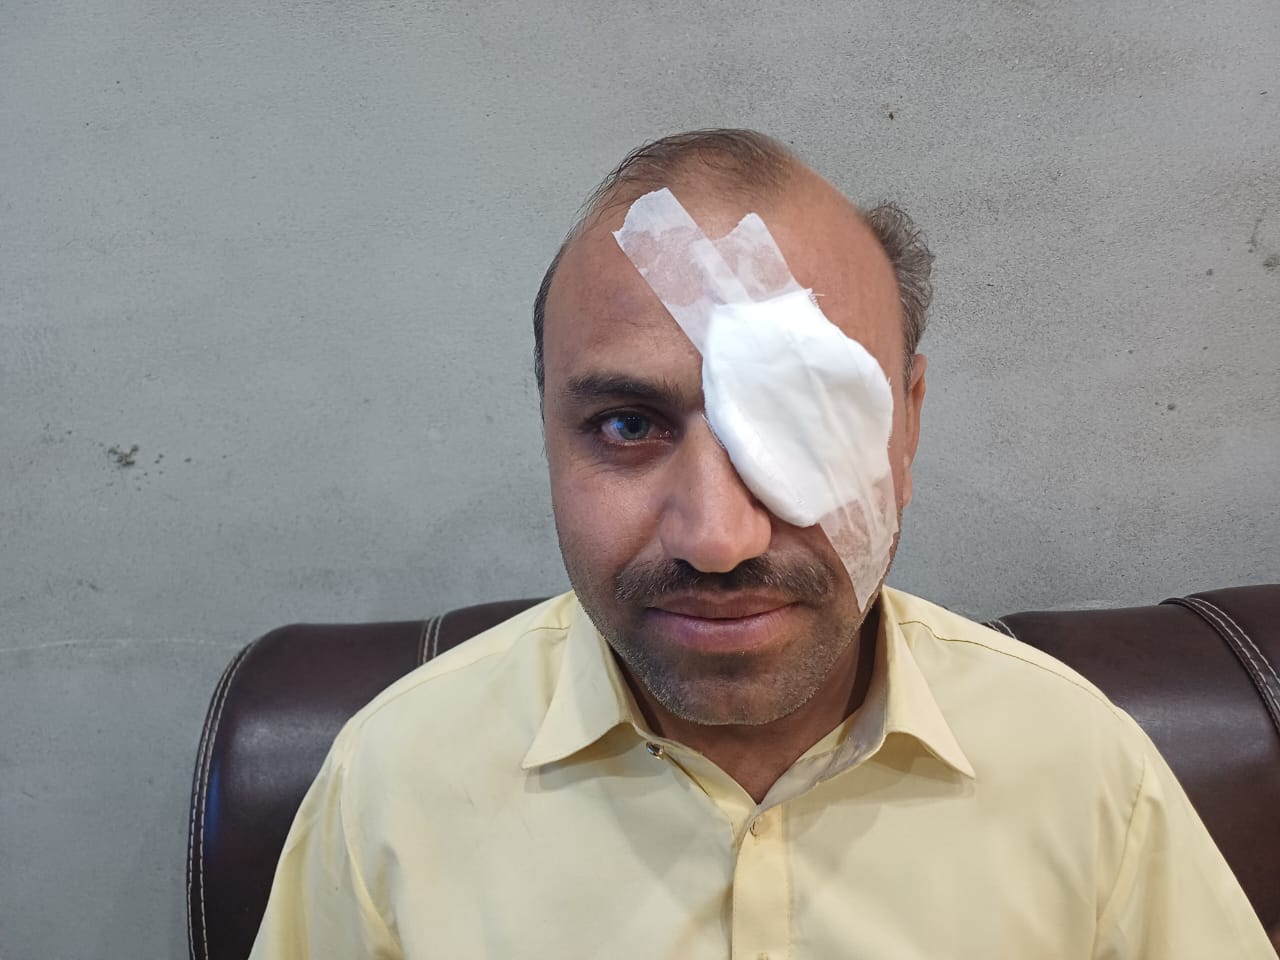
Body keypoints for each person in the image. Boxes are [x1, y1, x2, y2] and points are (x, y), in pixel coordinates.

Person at [249, 130, 1274, 958]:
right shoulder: (392, 784)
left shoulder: (1081, 768)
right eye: (626, 425)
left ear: (906, 426)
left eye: (802, 422)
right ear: (548, 434)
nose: (717, 538)